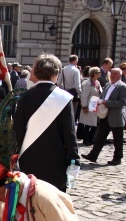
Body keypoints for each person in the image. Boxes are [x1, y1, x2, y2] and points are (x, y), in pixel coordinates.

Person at [13, 54, 79, 192]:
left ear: (36, 72)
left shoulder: (25, 96)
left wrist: (14, 155)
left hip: (29, 158)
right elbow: (69, 133)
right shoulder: (64, 98)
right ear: (56, 73)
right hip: (56, 160)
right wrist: (74, 157)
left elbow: (18, 130)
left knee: (30, 200)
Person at [82, 68, 126, 166]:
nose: (112, 76)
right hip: (105, 115)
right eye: (111, 74)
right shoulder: (107, 85)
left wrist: (107, 103)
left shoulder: (123, 87)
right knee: (100, 137)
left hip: (116, 116)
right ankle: (93, 155)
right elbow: (102, 97)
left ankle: (117, 158)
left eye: (115, 74)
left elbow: (122, 102)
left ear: (119, 76)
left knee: (118, 140)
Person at [79, 66, 102, 146]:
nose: (100, 73)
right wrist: (84, 106)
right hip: (89, 105)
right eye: (99, 72)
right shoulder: (88, 83)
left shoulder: (97, 83)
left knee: (94, 123)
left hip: (95, 105)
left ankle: (91, 138)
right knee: (88, 123)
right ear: (94, 74)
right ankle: (86, 139)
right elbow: (84, 95)